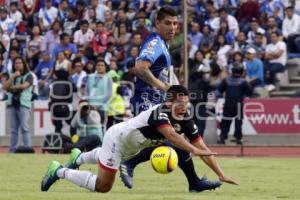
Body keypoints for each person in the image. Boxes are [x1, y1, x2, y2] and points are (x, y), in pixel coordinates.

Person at [41, 85, 238, 192]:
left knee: (108, 158)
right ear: (168, 102)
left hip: (130, 147)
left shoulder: (185, 118)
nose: (184, 107)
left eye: (186, 103)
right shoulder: (159, 113)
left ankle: (79, 158)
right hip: (117, 140)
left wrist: (220, 173)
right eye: (180, 102)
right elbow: (171, 135)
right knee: (103, 186)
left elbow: (203, 147)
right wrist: (193, 150)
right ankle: (59, 171)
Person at [122, 6, 222, 193]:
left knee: (178, 137)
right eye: (167, 23)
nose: (173, 27)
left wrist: (178, 94)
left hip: (159, 101)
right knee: (169, 139)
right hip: (146, 100)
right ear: (157, 23)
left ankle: (194, 182)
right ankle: (129, 163)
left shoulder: (164, 45)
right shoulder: (155, 43)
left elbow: (165, 75)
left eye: (175, 24)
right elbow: (141, 68)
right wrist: (164, 88)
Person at [3, 57, 33, 153]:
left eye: (20, 63)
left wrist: (11, 87)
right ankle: (13, 150)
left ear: (23, 64)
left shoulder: (29, 75)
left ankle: (27, 148)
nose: (17, 65)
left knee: (25, 128)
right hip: (12, 104)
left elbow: (24, 86)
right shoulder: (12, 75)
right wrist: (12, 77)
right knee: (13, 129)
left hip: (23, 104)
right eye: (16, 63)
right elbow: (5, 87)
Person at [217, 63, 252, 145]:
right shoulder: (243, 82)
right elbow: (249, 92)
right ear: (242, 71)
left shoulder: (226, 80)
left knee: (225, 121)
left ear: (232, 71)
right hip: (239, 105)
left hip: (228, 104)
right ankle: (238, 138)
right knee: (238, 121)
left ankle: (222, 138)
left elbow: (220, 90)